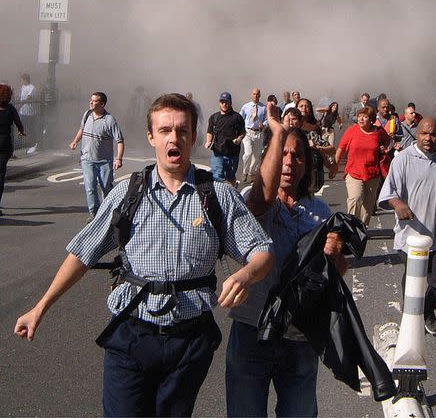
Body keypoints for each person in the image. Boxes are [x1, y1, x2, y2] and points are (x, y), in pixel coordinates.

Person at [15, 93, 274, 417]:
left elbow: (262, 251)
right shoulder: (127, 194)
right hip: (131, 333)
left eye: (182, 130)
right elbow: (83, 253)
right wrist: (40, 308)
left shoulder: (218, 195)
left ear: (194, 137)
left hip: (190, 340)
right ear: (152, 137)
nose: (173, 137)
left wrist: (245, 275)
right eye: (165, 130)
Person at [225, 106, 346, 417]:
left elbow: (339, 270)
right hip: (252, 330)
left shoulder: (320, 211)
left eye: (298, 156)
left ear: (307, 166)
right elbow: (261, 199)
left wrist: (334, 253)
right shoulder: (256, 200)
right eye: (284, 154)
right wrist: (277, 133)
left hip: (299, 335)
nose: (290, 162)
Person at [378, 117, 436, 335]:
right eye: (424, 134)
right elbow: (389, 192)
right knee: (414, 278)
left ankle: (425, 310)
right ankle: (412, 315)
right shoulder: (403, 159)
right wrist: (398, 204)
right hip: (412, 235)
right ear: (417, 134)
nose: (429, 138)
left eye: (434, 134)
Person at [69, 92, 125, 220]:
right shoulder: (87, 114)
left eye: (94, 101)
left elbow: (120, 141)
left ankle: (108, 213)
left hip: (104, 161)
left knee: (106, 188)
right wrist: (75, 141)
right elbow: (81, 130)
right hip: (87, 159)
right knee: (90, 187)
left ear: (102, 104)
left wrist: (119, 159)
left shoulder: (109, 120)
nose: (91, 103)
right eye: (91, 100)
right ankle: (95, 215)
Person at [335, 106, 390, 227]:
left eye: (365, 117)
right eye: (359, 116)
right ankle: (350, 227)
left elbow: (387, 140)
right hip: (354, 172)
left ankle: (362, 228)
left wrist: (383, 147)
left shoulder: (378, 131)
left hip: (372, 174)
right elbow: (341, 149)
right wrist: (335, 166)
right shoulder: (352, 130)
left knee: (368, 206)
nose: (361, 119)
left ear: (371, 119)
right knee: (355, 198)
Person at [205, 92, 246, 186]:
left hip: (232, 153)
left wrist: (238, 139)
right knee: (217, 176)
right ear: (219, 103)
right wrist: (208, 141)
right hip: (218, 152)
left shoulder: (237, 117)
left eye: (226, 102)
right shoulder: (214, 117)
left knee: (230, 177)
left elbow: (243, 132)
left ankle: (233, 184)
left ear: (230, 103)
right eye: (222, 102)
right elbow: (210, 131)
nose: (224, 104)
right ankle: (219, 197)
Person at [0, 84, 25, 214]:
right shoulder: (10, 109)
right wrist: (21, 131)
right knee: (1, 173)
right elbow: (18, 122)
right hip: (5, 143)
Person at [239, 87, 267, 183]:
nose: (255, 96)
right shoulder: (246, 106)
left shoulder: (263, 108)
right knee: (248, 153)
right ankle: (245, 172)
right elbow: (240, 118)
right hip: (248, 132)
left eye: (257, 94)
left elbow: (267, 119)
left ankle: (251, 172)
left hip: (258, 133)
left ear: (260, 95)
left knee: (256, 156)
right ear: (252, 95)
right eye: (254, 94)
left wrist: (264, 124)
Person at [18, 73, 38, 148]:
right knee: (20, 127)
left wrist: (20, 105)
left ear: (25, 80)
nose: (21, 81)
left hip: (29, 112)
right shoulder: (23, 86)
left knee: (31, 128)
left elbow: (28, 98)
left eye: (22, 80)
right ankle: (21, 143)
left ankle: (32, 143)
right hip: (22, 112)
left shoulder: (32, 87)